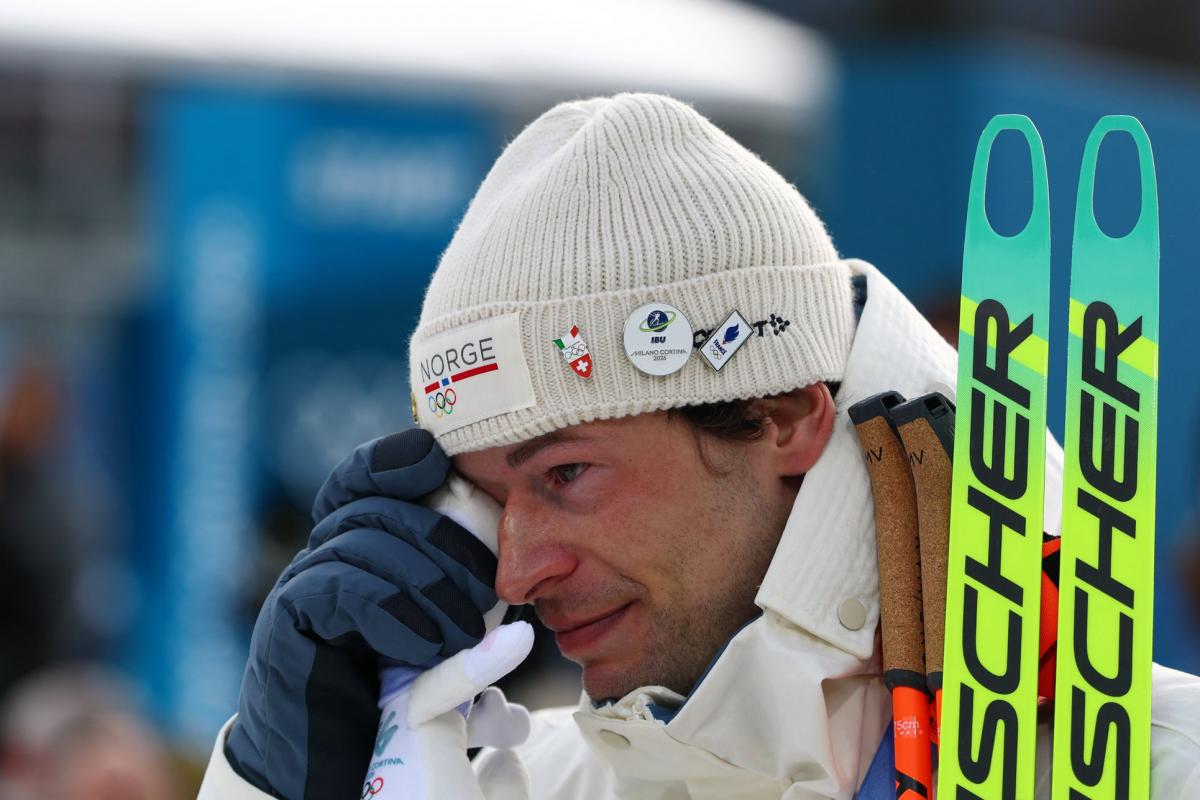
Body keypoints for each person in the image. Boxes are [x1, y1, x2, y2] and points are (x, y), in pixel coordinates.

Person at [199, 93, 1200, 799]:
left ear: (785, 417)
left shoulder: (1164, 767)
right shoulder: (523, 782)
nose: (516, 569)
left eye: (567, 473)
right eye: (490, 497)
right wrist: (275, 779)